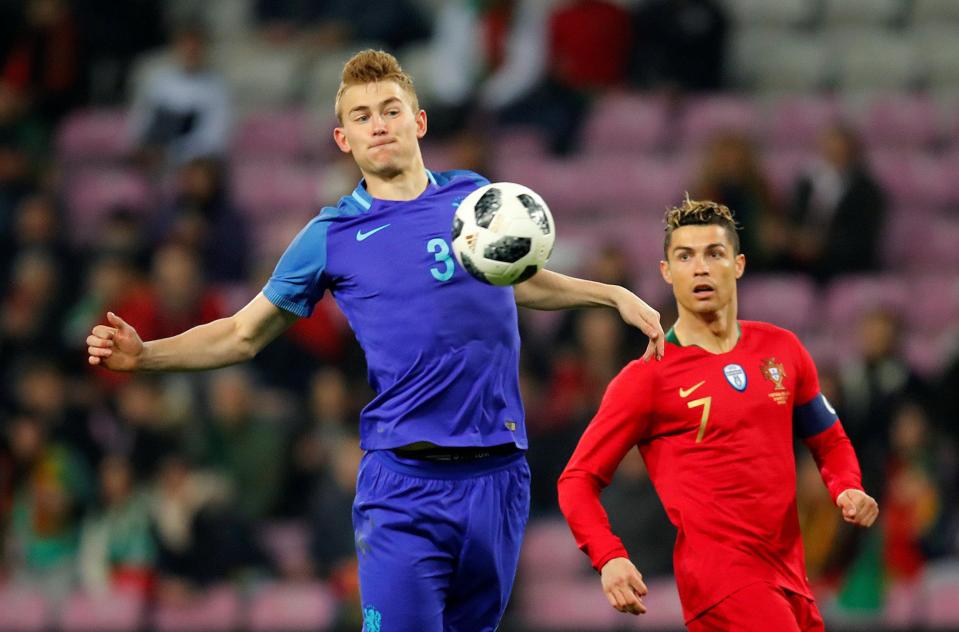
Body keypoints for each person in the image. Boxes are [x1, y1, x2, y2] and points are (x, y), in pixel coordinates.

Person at [87, 49, 664, 632]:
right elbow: (242, 333)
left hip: (499, 476)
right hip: (405, 484)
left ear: (419, 121)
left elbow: (516, 279)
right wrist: (148, 356)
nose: (378, 124)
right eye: (362, 116)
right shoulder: (331, 235)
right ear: (343, 138)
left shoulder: (472, 196)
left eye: (391, 109)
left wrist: (608, 294)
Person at [557, 197, 878, 631]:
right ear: (667, 272)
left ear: (739, 264)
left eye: (714, 254)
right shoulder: (648, 378)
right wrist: (609, 556)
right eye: (685, 257)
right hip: (721, 583)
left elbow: (829, 440)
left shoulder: (783, 350)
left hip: (791, 579)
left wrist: (847, 487)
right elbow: (577, 479)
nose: (700, 268)